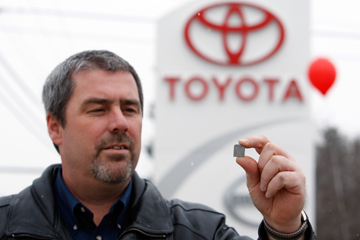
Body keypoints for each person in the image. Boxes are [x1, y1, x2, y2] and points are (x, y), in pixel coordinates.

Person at [0, 50, 316, 240]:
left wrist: (284, 228)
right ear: (55, 127)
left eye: (130, 108)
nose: (120, 122)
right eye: (98, 108)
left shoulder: (201, 233)